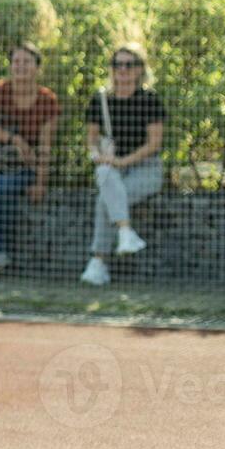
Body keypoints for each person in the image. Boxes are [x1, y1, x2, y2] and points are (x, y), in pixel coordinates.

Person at [0, 42, 60, 275]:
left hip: (24, 166)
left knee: (5, 187)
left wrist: (40, 182)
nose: (20, 66)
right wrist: (14, 139)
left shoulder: (48, 101)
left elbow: (46, 145)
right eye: (16, 61)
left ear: (37, 67)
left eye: (26, 61)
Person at [80, 42, 166, 286]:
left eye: (130, 65)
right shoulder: (100, 100)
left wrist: (121, 161)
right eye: (118, 64)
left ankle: (98, 262)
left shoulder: (150, 100)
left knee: (105, 199)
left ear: (140, 69)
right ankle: (125, 233)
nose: (123, 70)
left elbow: (154, 144)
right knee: (105, 176)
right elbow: (91, 140)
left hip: (146, 168)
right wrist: (98, 155)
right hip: (112, 168)